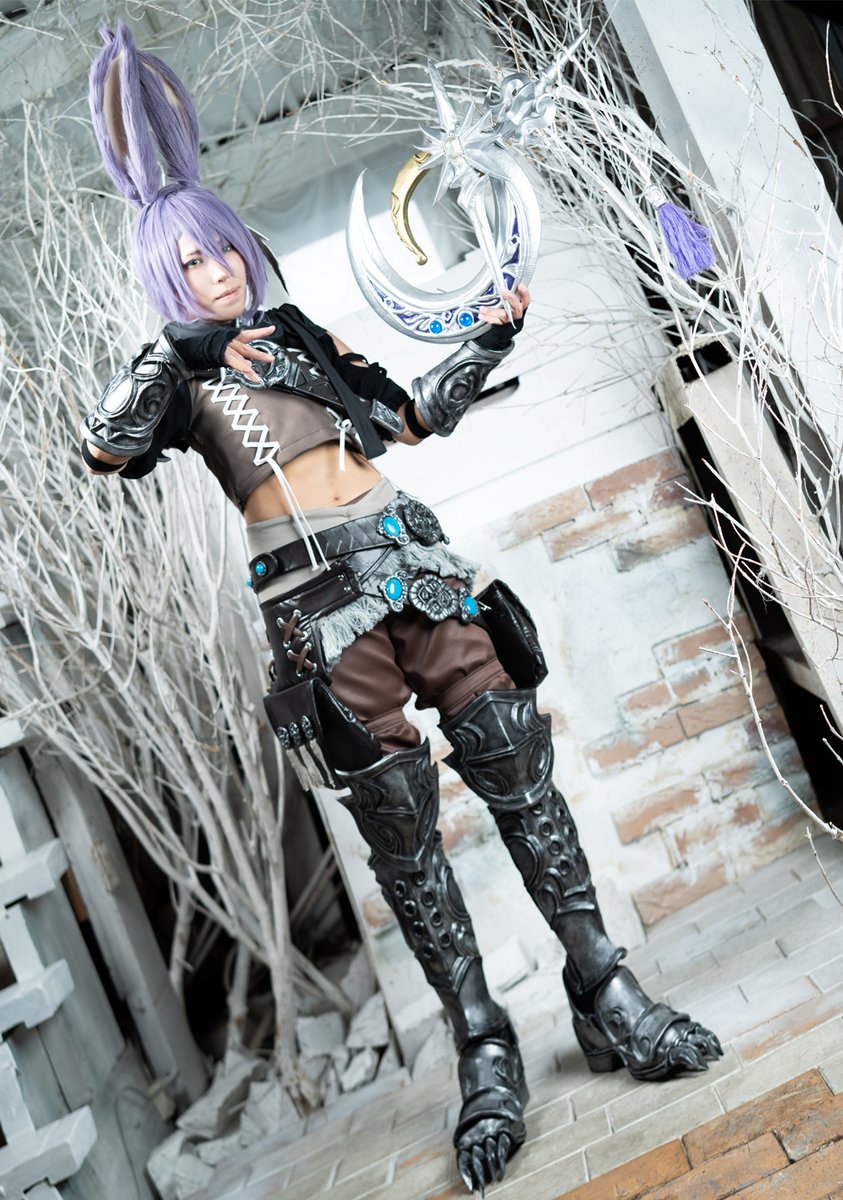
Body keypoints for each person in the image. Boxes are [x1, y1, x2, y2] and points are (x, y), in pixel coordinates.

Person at [82, 24, 721, 1197]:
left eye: (223, 252)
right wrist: (184, 348)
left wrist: (491, 334)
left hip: (411, 563)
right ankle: (484, 1046)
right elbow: (106, 448)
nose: (219, 273)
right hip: (312, 614)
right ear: (170, 280)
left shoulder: (301, 337)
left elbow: (406, 417)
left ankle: (602, 987)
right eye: (194, 265)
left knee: (516, 760)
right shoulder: (178, 375)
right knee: (405, 842)